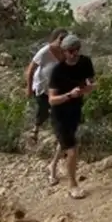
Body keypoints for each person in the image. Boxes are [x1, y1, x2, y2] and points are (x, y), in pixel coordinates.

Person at [47, 33, 96, 200]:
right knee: (72, 149)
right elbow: (52, 100)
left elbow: (90, 80)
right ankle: (72, 185)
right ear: (64, 51)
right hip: (60, 113)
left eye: (77, 50)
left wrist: (89, 86)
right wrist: (69, 95)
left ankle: (52, 166)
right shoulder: (57, 71)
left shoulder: (85, 62)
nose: (74, 54)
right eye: (70, 51)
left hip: (76, 109)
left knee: (64, 144)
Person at [24, 27, 68, 161]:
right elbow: (31, 69)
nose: (62, 42)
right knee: (43, 109)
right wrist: (29, 87)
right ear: (55, 39)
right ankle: (36, 129)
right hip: (42, 86)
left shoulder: (65, 53)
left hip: (55, 87)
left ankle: (61, 142)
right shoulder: (44, 52)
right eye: (60, 39)